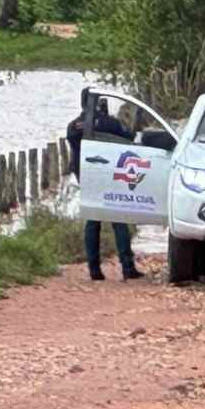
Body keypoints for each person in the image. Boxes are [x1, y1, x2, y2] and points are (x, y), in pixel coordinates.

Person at [66, 90, 145, 282]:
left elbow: (73, 139)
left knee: (93, 221)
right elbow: (130, 136)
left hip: (87, 174)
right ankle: (127, 267)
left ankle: (94, 270)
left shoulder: (74, 126)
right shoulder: (110, 123)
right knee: (118, 218)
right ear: (101, 104)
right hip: (110, 174)